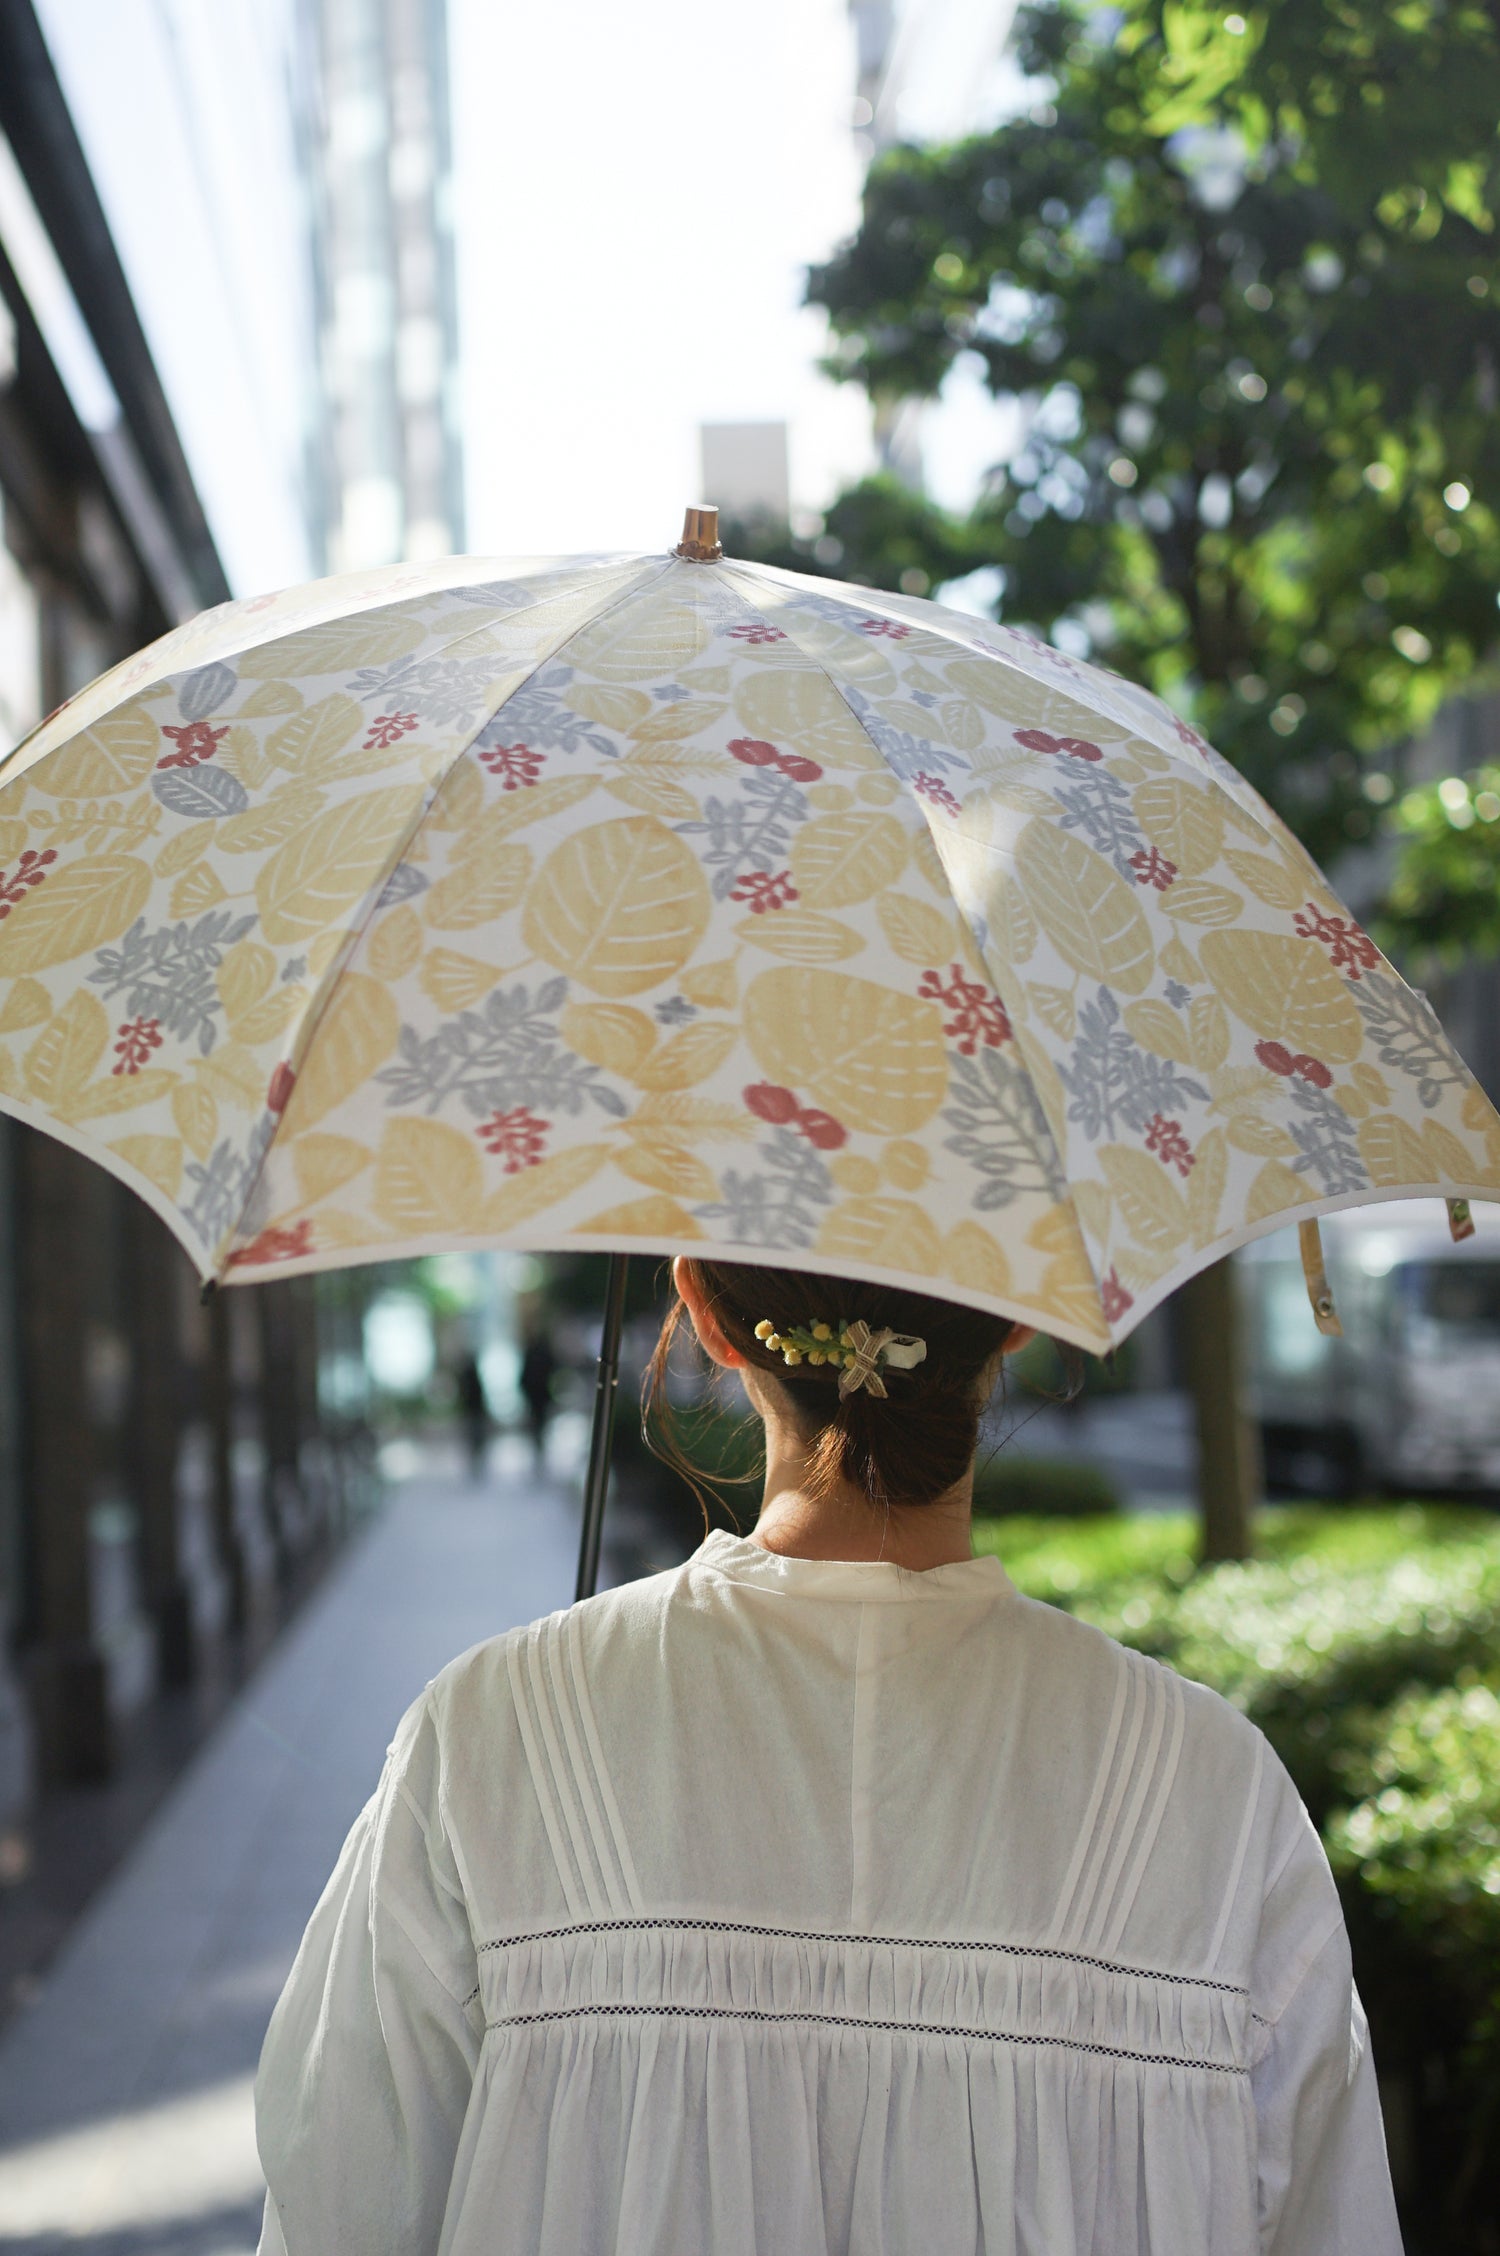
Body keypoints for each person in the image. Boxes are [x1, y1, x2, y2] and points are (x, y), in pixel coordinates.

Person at [254, 1259, 1401, 2255]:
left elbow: (341, 2195)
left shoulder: (491, 1732)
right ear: (1016, 1314)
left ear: (699, 1304)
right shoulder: (1213, 1786)